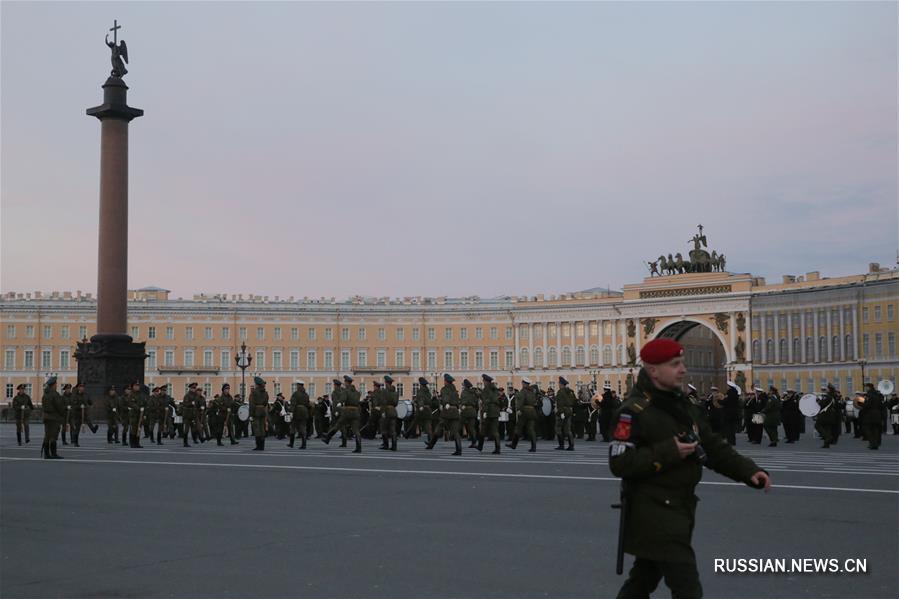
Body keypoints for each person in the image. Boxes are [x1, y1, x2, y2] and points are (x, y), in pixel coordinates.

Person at [609, 338, 771, 599]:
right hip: (655, 513)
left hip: (680, 506)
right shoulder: (633, 412)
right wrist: (669, 451)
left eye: (681, 363)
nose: (683, 369)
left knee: (643, 580)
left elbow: (711, 446)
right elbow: (619, 463)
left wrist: (748, 471)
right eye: (675, 365)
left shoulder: (682, 405)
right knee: (687, 588)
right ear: (653, 370)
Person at [321, 376, 362, 453]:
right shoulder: (357, 392)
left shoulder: (346, 391)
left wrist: (339, 405)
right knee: (356, 430)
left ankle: (327, 438)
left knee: (338, 424)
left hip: (348, 411)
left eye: (345, 382)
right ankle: (359, 447)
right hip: (356, 412)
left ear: (346, 382)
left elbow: (342, 399)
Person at [426, 374, 462, 455]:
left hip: (447, 412)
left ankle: (431, 444)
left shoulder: (444, 389)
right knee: (456, 431)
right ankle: (459, 449)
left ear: (445, 381)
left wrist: (445, 403)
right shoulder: (455, 391)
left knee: (438, 428)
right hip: (455, 412)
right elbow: (457, 401)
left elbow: (445, 398)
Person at [506, 379, 538, 453]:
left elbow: (520, 401)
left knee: (518, 428)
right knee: (531, 429)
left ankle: (514, 444)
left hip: (524, 411)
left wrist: (518, 410)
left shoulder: (523, 391)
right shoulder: (532, 391)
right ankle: (534, 446)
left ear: (523, 383)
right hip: (532, 412)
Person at [40, 376, 66, 459]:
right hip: (54, 418)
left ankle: (46, 454)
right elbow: (59, 406)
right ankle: (53, 453)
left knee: (47, 435)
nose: (56, 385)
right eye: (56, 384)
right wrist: (63, 413)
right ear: (53, 385)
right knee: (53, 436)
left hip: (46, 417)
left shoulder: (45, 394)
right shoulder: (54, 394)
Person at [477, 374, 502, 454]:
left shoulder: (486, 389)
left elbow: (486, 401)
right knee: (495, 431)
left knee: (483, 429)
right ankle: (497, 448)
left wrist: (484, 412)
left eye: (483, 381)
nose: (483, 382)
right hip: (495, 412)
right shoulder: (495, 389)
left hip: (489, 412)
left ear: (486, 381)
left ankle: (480, 446)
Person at [859, 383, 884, 449]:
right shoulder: (878, 395)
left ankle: (873, 443)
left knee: (867, 429)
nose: (865, 388)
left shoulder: (868, 395)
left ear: (869, 387)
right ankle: (876, 443)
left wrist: (861, 406)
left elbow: (867, 405)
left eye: (866, 387)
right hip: (878, 414)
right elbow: (881, 406)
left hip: (869, 415)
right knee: (876, 430)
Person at [554, 377, 576, 451]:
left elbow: (560, 403)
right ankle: (571, 445)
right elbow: (574, 401)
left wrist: (561, 412)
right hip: (569, 411)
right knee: (568, 429)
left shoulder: (560, 392)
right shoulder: (570, 392)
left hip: (562, 411)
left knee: (558, 428)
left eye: (559, 383)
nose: (558, 385)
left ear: (561, 384)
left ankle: (561, 445)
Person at [250, 377, 271, 451]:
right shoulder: (265, 393)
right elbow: (266, 403)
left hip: (256, 411)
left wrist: (251, 414)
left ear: (256, 384)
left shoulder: (254, 392)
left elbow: (252, 404)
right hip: (263, 411)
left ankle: (258, 446)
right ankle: (262, 446)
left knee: (257, 428)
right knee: (262, 428)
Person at [288, 381, 310, 449]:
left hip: (297, 412)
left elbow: (293, 403)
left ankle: (291, 443)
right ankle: (304, 444)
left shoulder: (296, 394)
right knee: (303, 428)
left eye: (297, 385)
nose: (296, 386)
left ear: (298, 386)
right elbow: (307, 404)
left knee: (293, 427)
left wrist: (291, 412)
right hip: (304, 411)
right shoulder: (306, 394)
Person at [412, 377, 434, 442]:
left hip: (422, 410)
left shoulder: (421, 391)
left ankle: (407, 434)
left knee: (414, 421)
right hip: (428, 410)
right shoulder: (428, 392)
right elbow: (429, 400)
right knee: (428, 426)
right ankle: (430, 440)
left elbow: (421, 399)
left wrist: (420, 405)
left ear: (421, 384)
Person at [460, 379, 480, 449]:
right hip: (473, 411)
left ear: (465, 386)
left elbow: (463, 402)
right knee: (472, 428)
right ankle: (474, 442)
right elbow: (476, 401)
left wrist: (461, 407)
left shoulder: (464, 392)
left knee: (459, 424)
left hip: (466, 411)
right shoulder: (474, 392)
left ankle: (456, 439)